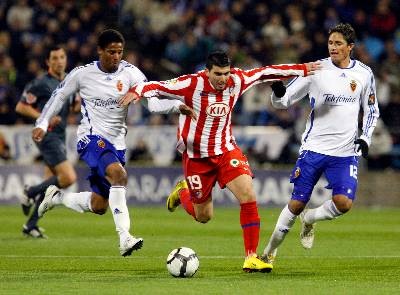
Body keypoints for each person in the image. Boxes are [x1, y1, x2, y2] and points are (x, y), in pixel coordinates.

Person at [120, 50, 320, 271]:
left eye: (226, 73)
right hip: (196, 158)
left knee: (248, 194)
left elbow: (266, 72)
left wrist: (301, 69)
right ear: (207, 72)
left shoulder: (237, 80)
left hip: (226, 150)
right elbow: (157, 86)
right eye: (217, 74)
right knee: (203, 216)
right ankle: (183, 192)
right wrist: (136, 91)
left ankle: (251, 257)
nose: (223, 79)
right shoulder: (190, 84)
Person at [33, 29, 195, 256]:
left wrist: (176, 106)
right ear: (100, 50)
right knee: (119, 176)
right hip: (90, 139)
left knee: (99, 205)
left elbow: (153, 104)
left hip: (117, 145)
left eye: (120, 52)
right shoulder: (82, 74)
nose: (116, 56)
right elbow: (58, 96)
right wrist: (42, 123)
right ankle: (125, 238)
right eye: (111, 52)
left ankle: (57, 197)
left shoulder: (131, 74)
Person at [261, 23, 380, 266]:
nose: (333, 47)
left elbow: (371, 109)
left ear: (350, 47)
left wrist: (365, 138)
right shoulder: (315, 69)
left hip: (345, 151)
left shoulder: (364, 73)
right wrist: (278, 90)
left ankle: (311, 219)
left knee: (344, 203)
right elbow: (283, 102)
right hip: (314, 148)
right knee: (296, 203)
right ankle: (268, 253)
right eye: (330, 43)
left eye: (338, 44)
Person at [15, 45, 78, 238]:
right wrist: (44, 118)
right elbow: (21, 106)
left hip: (60, 135)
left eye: (62, 57)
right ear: (48, 62)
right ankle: (30, 191)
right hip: (46, 135)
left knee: (50, 185)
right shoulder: (41, 83)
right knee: (68, 178)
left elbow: (73, 105)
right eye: (55, 58)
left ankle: (31, 225)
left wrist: (78, 105)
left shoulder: (70, 81)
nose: (59, 61)